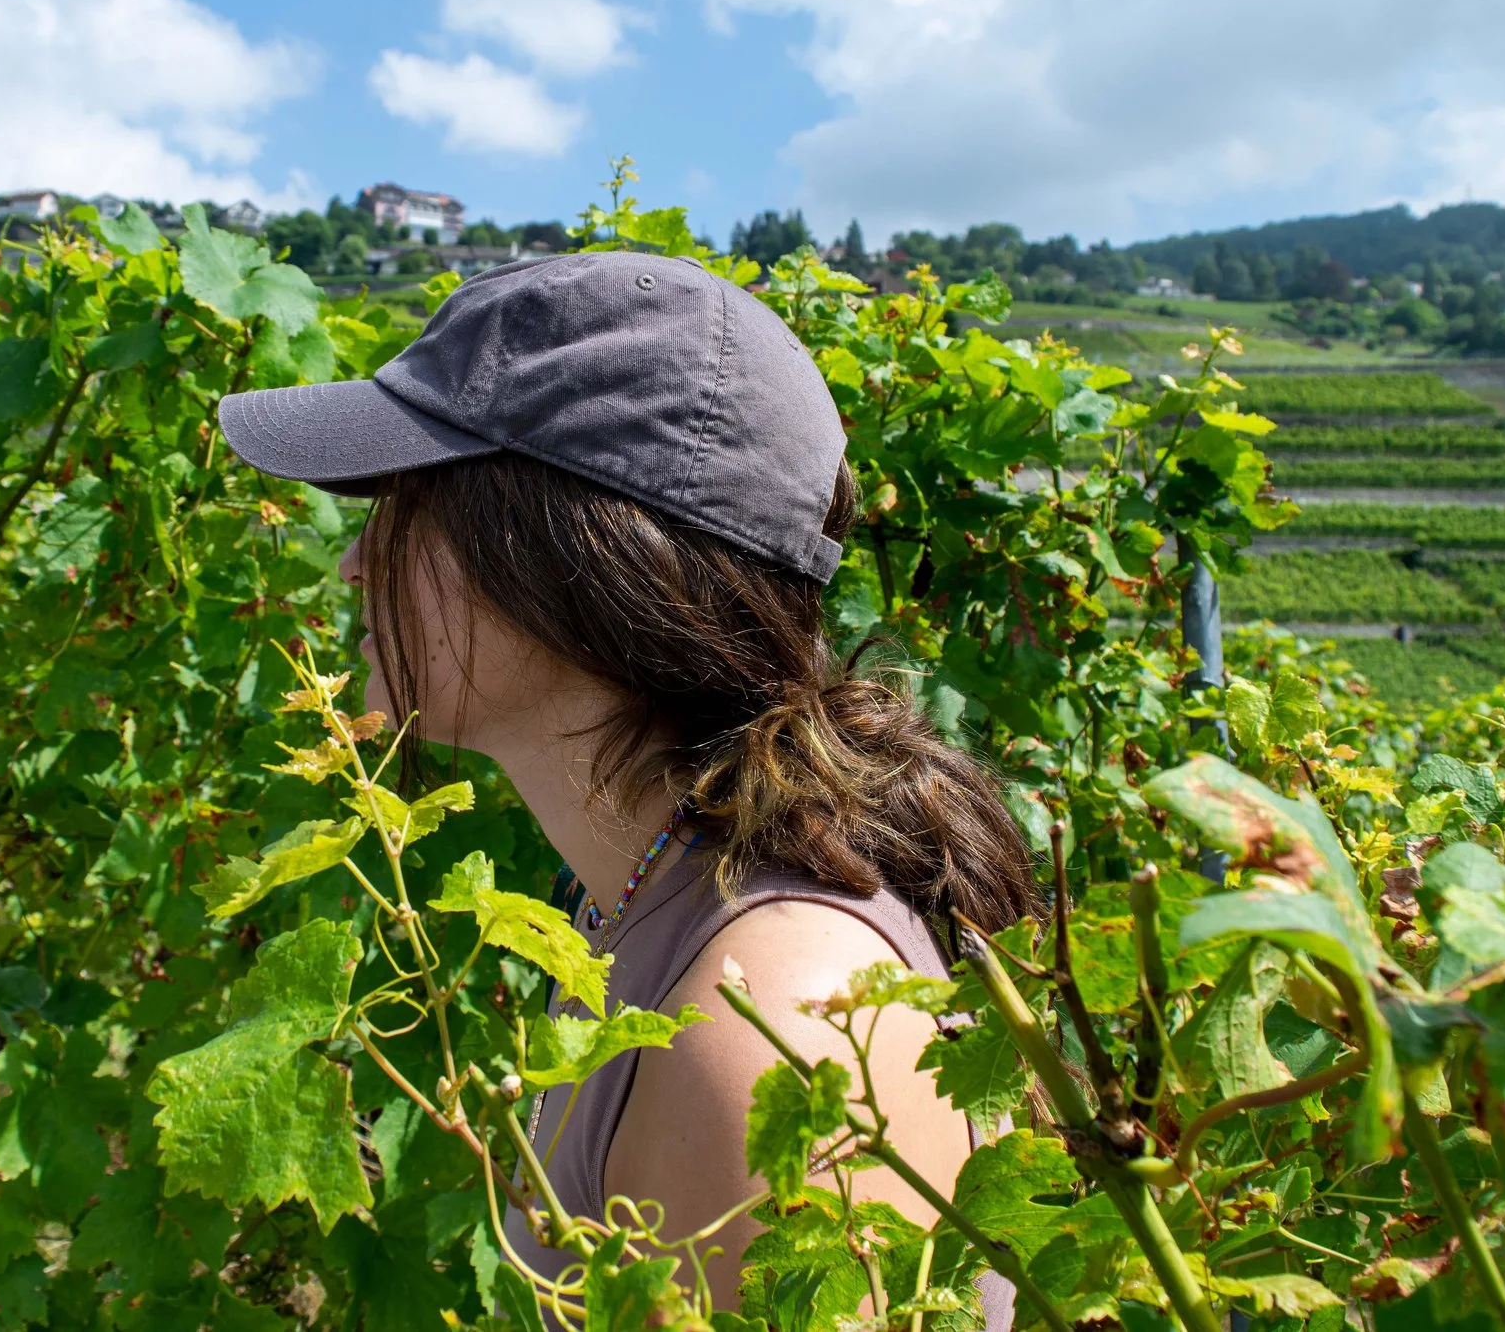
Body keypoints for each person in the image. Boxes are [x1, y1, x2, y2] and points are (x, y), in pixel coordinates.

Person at [217, 250, 1043, 1320]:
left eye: (408, 498)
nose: (352, 561)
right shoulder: (650, 906)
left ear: (570, 549)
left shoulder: (763, 1028)